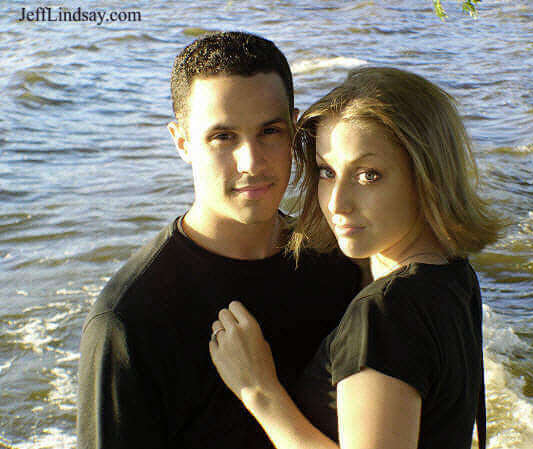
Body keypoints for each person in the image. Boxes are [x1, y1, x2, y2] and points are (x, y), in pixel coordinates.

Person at [76, 32, 363, 449]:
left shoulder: (340, 261)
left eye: (270, 131)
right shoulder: (128, 321)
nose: (251, 162)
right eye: (223, 137)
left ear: (295, 129)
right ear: (182, 142)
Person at [209, 67, 504, 449]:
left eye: (368, 175)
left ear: (425, 176)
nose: (337, 203)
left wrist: (260, 393)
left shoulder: (383, 314)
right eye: (327, 171)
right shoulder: (454, 274)